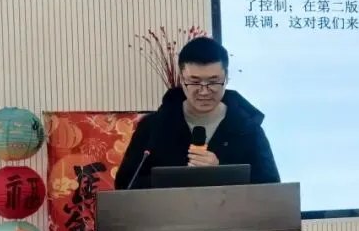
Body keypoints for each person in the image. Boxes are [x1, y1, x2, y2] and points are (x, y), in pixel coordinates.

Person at [115, 36, 280, 190]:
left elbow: (271, 189)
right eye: (194, 82)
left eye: (213, 81)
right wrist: (182, 178)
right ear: (181, 79)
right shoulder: (153, 127)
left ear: (226, 77)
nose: (204, 91)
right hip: (168, 212)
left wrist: (221, 173)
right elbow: (125, 185)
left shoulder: (248, 129)